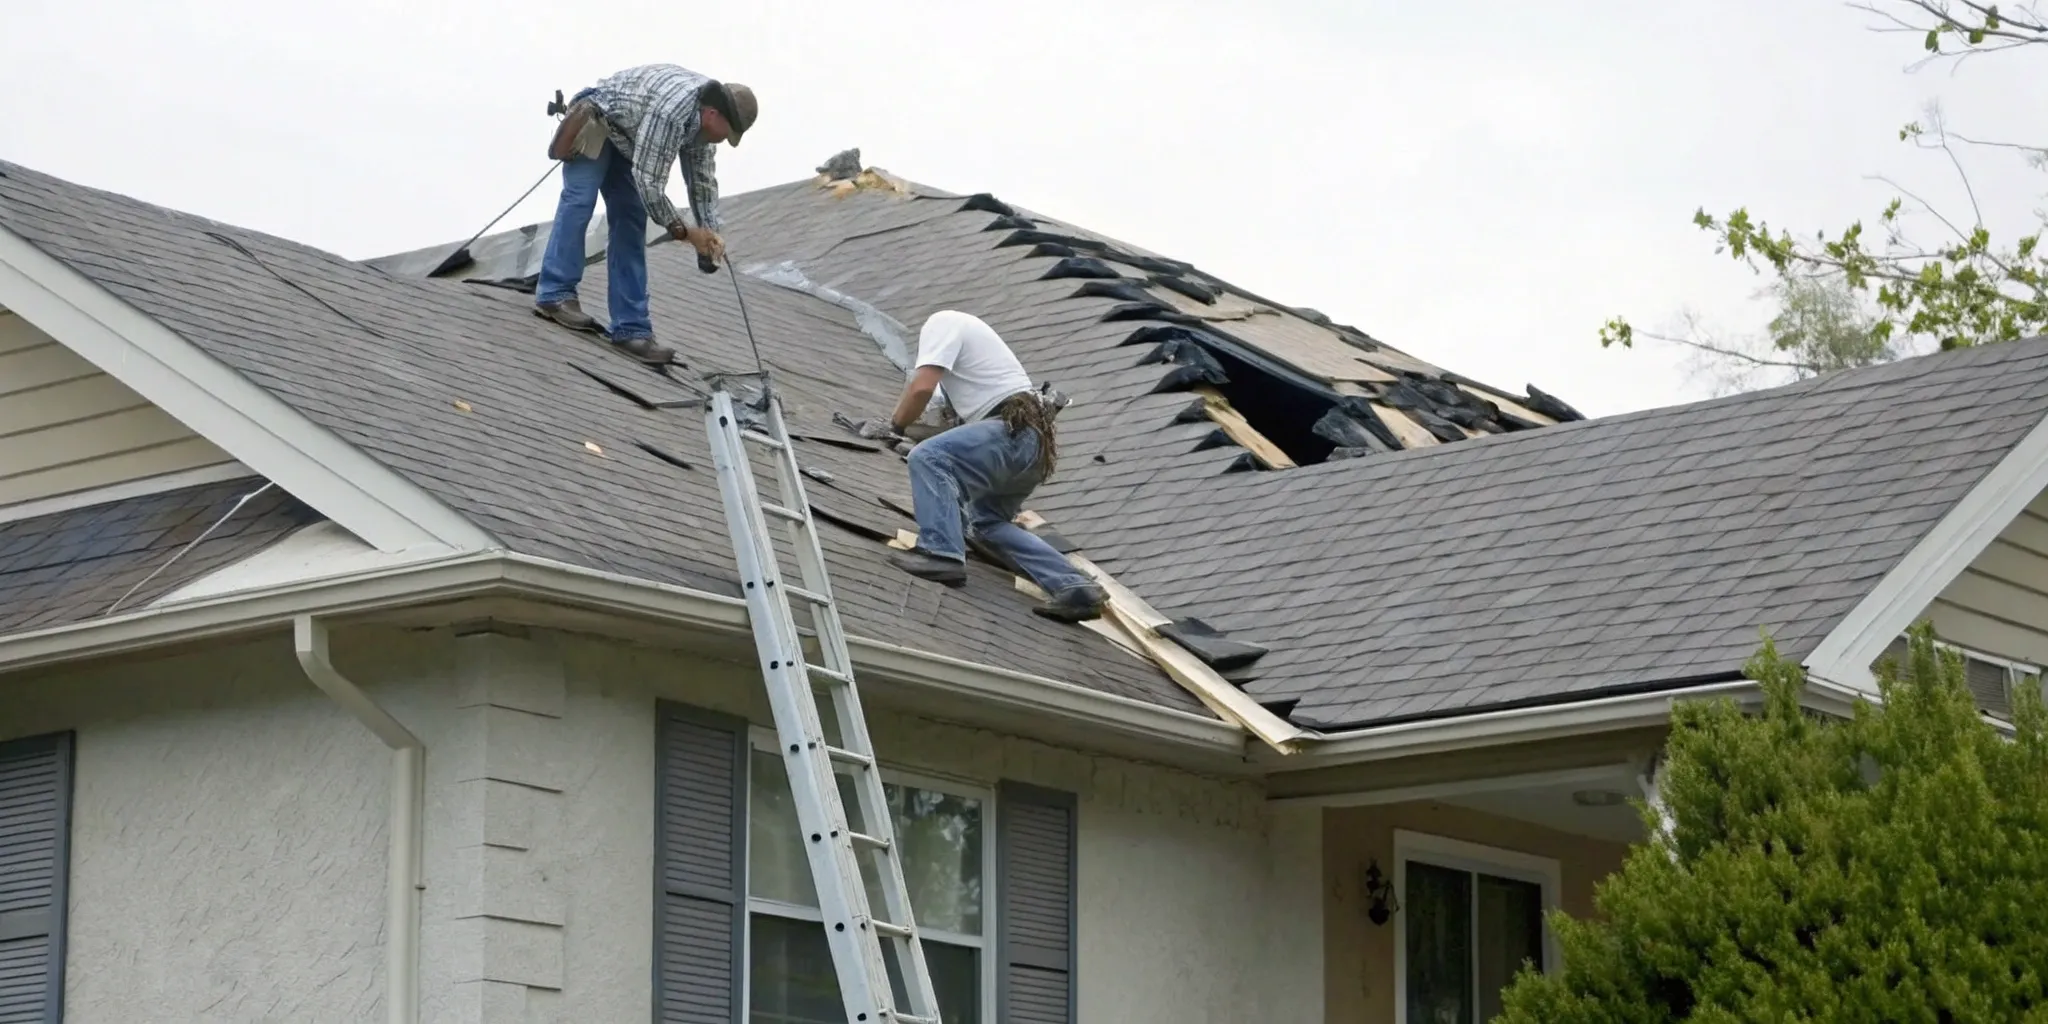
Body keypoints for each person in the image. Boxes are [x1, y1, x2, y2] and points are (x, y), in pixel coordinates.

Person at [878, 310, 1108, 623]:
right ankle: (1074, 586)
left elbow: (920, 389)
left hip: (1011, 428)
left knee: (927, 458)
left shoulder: (941, 322)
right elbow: (959, 432)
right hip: (1033, 443)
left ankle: (941, 554)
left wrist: (894, 427)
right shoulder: (976, 363)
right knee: (986, 522)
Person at [533, 64, 758, 365]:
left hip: (630, 145)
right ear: (714, 114)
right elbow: (649, 183)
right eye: (729, 133)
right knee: (579, 200)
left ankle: (631, 328)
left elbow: (702, 183)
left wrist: (710, 235)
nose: (726, 140)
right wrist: (686, 232)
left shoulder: (703, 132)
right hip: (598, 121)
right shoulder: (673, 110)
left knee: (631, 222)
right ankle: (556, 293)